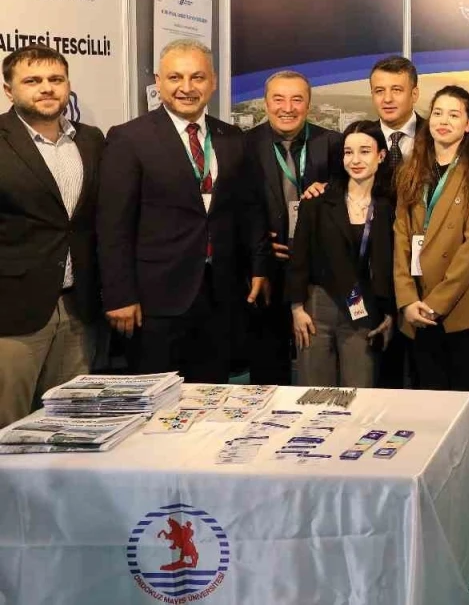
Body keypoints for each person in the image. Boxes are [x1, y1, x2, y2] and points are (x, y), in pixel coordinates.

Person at [98, 39, 270, 382]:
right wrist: (119, 295)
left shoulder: (232, 137)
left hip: (220, 295)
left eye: (197, 77)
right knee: (156, 399)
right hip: (155, 301)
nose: (187, 88)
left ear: (213, 81)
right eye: (175, 77)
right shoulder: (129, 138)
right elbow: (113, 225)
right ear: (158, 82)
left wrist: (258, 266)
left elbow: (248, 210)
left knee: (212, 395)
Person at [0, 46, 104, 429]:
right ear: (9, 90)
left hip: (79, 309)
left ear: (67, 86)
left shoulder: (91, 140)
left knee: (70, 425)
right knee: (8, 426)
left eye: (55, 79)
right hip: (13, 314)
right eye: (33, 80)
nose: (46, 88)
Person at [394, 85, 469, 406]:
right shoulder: (412, 169)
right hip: (417, 303)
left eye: (454, 115)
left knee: (464, 400)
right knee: (427, 401)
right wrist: (407, 300)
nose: (443, 121)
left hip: (463, 306)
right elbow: (401, 237)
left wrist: (436, 303)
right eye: (437, 113)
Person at [245, 70, 342, 385]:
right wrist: (259, 245)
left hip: (317, 273)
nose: (287, 108)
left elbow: (352, 197)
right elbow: (234, 208)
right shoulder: (245, 145)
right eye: (278, 99)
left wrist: (329, 190)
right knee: (268, 367)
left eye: (296, 99)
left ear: (308, 104)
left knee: (317, 364)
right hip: (267, 269)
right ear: (265, 103)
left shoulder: (333, 144)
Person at [286, 121, 393, 388]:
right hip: (317, 308)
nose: (355, 160)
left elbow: (392, 265)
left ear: (381, 155)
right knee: (315, 393)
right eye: (348, 152)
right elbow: (298, 259)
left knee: (360, 391)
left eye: (365, 151)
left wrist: (390, 313)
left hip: (364, 310)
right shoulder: (317, 201)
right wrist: (296, 309)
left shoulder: (389, 206)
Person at [368, 55, 425, 389]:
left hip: (423, 273)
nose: (387, 99)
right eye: (379, 91)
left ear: (414, 94)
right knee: (381, 378)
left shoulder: (438, 135)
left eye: (396, 90)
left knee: (424, 377)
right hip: (373, 272)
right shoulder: (357, 139)